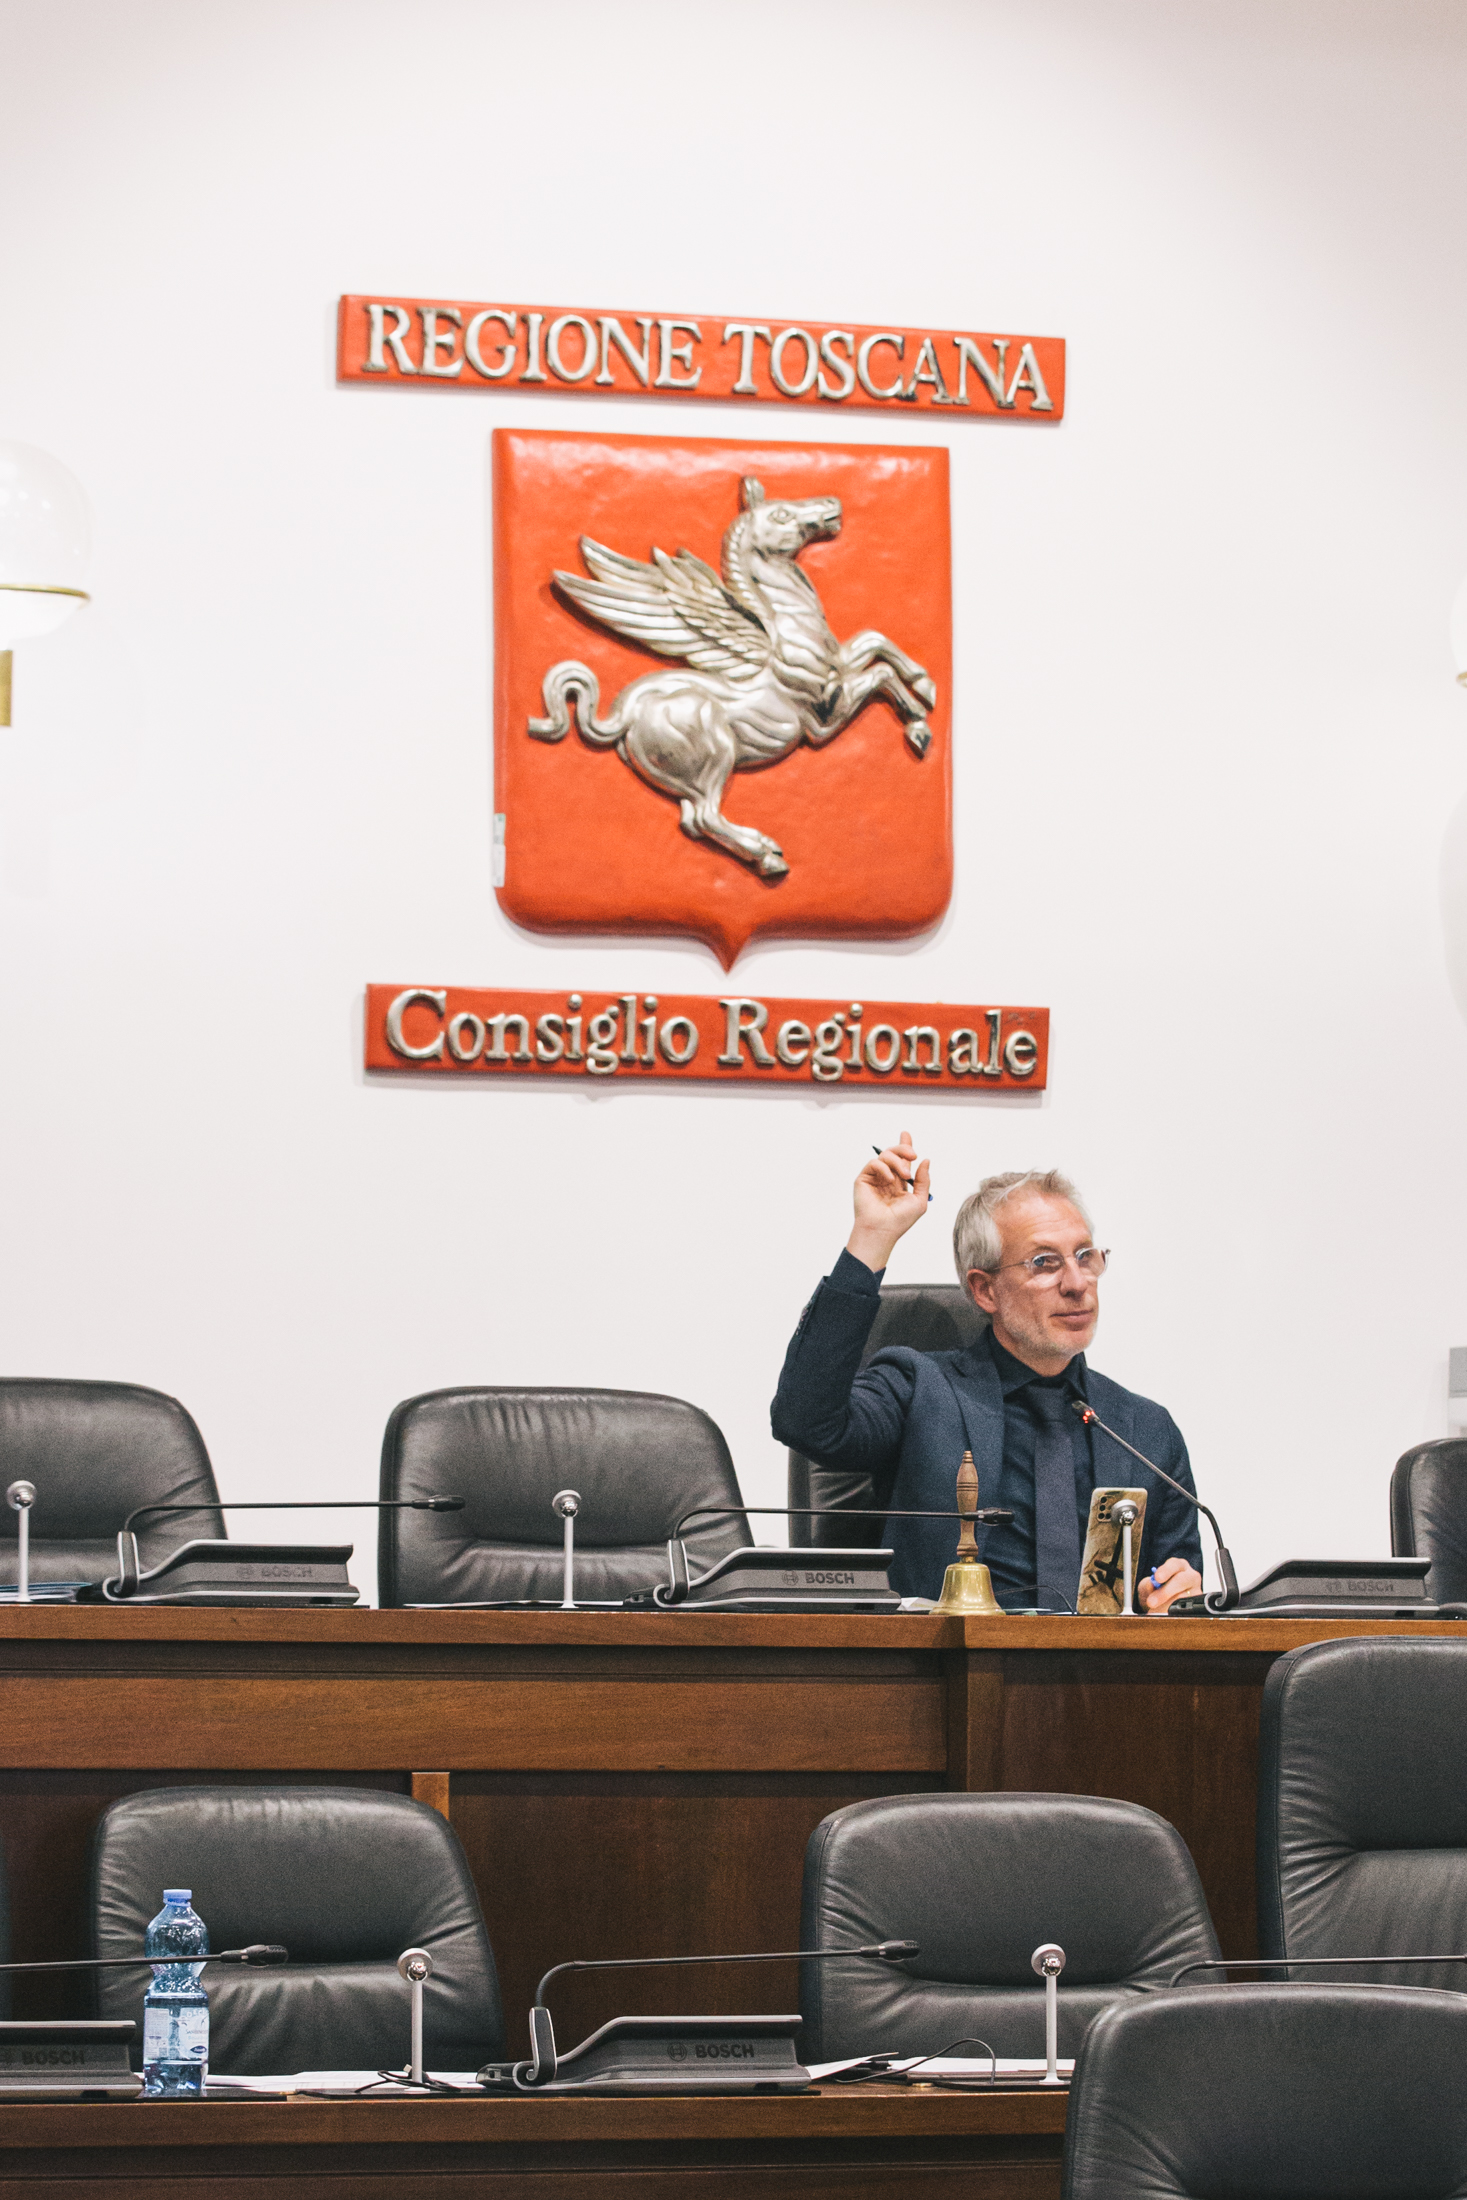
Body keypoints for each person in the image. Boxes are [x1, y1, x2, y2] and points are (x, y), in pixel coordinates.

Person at [771, 1135, 1205, 1611]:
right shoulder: (919, 1389)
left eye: (1085, 1256)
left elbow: (1176, 1590)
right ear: (985, 1291)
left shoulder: (1144, 1431)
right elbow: (804, 1420)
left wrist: (1175, 1595)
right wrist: (871, 1239)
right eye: (1045, 1263)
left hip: (1099, 1659)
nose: (1077, 1283)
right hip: (949, 1653)